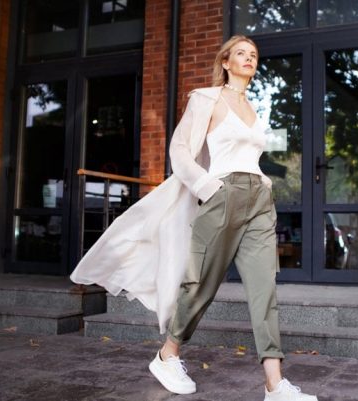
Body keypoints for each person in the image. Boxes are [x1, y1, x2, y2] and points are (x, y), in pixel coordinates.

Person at [70, 35, 317, 401]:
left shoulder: (252, 108)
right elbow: (180, 149)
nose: (249, 59)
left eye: (253, 55)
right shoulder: (207, 98)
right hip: (223, 194)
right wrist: (207, 187)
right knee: (201, 284)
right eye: (241, 54)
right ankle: (168, 354)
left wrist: (263, 183)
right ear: (226, 62)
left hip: (259, 200)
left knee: (265, 289)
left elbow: (250, 156)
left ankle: (274, 384)